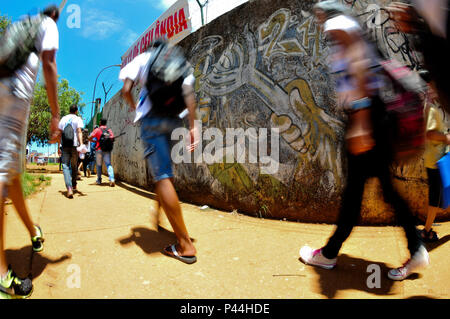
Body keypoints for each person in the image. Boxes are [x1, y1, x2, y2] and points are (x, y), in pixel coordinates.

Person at [299, 0, 428, 281]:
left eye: (319, 14)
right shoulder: (351, 24)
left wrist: (360, 120)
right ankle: (416, 249)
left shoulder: (338, 24)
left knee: (354, 194)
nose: (319, 20)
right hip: (375, 118)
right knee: (384, 191)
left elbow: (359, 64)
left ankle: (330, 254)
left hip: (365, 119)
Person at [119, 40, 198, 264]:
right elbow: (189, 95)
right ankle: (159, 214)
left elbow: (126, 89)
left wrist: (135, 107)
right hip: (175, 121)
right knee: (165, 174)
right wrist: (193, 126)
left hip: (152, 120)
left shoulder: (144, 58)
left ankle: (185, 245)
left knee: (162, 176)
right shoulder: (180, 62)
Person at [0, 5, 60, 298]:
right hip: (14, 98)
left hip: (4, 94)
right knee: (2, 177)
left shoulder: (17, 26)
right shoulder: (49, 25)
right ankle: (1, 277)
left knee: (10, 178)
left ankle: (33, 231)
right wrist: (54, 114)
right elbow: (49, 62)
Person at [420, 70, 450, 242]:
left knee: (438, 194)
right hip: (436, 160)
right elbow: (430, 134)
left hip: (435, 158)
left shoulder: (430, 105)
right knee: (435, 196)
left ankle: (428, 227)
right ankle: (427, 230)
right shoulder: (431, 108)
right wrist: (446, 138)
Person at [58, 104, 84, 198]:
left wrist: (58, 146)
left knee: (65, 166)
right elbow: (79, 131)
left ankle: (69, 188)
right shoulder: (78, 119)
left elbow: (60, 133)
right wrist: (81, 144)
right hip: (74, 145)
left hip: (64, 145)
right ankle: (74, 185)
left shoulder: (63, 118)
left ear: (69, 110)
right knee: (74, 166)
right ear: (76, 111)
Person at [88, 119, 115, 187]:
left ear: (100, 123)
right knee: (108, 164)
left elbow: (89, 137)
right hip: (107, 150)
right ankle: (112, 179)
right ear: (105, 123)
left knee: (99, 165)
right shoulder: (109, 130)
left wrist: (94, 141)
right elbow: (112, 138)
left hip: (99, 149)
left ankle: (99, 180)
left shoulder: (97, 130)